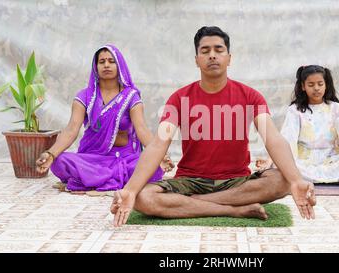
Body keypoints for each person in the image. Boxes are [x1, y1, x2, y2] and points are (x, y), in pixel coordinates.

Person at [110, 26, 316, 227]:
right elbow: (157, 145)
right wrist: (130, 190)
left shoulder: (250, 96)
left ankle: (194, 205)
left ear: (229, 58)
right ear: (197, 60)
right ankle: (233, 210)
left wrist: (296, 180)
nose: (212, 55)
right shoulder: (178, 98)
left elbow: (273, 138)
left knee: (281, 180)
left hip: (236, 181)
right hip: (190, 182)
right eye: (205, 51)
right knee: (143, 197)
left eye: (219, 50)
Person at [35, 44, 174, 194]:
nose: (106, 65)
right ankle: (110, 179)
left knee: (154, 167)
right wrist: (50, 154)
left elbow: (142, 129)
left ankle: (91, 180)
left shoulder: (130, 96)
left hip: (125, 159)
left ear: (119, 65)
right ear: (96, 67)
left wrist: (159, 156)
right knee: (59, 162)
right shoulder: (84, 96)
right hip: (92, 159)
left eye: (111, 61)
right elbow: (71, 129)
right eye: (102, 62)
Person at [256, 65, 339, 185]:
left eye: (320, 84)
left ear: (326, 85)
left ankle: (315, 179)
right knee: (281, 165)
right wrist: (270, 161)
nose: (316, 88)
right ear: (303, 86)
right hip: (303, 161)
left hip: (331, 160)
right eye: (311, 85)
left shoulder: (336, 108)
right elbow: (286, 138)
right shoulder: (295, 110)